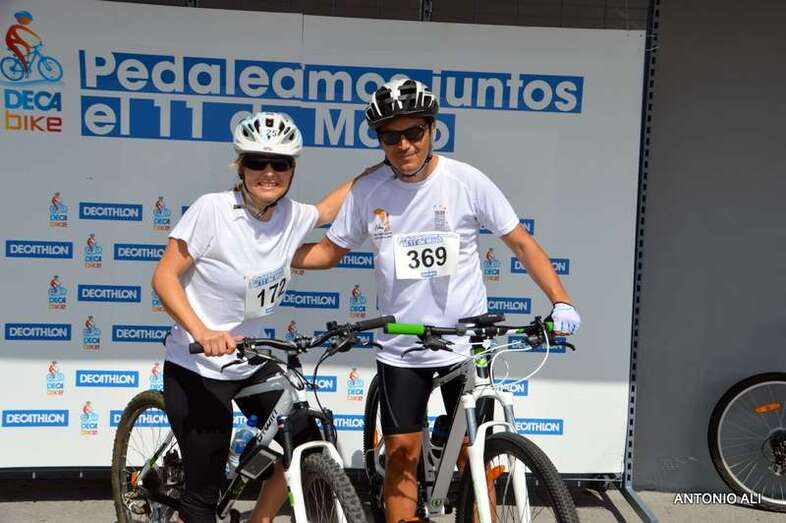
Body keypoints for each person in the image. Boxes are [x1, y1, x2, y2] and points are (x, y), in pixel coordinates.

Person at [292, 78, 582, 523]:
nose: (404, 145)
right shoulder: (369, 190)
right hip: (402, 346)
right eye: (391, 137)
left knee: (476, 453)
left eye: (414, 132)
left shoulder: (466, 181)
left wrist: (560, 301)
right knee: (402, 456)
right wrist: (269, 256)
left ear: (432, 130)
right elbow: (329, 252)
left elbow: (521, 244)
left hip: (465, 344)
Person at [152, 111, 358, 523]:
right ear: (241, 166)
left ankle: (259, 518)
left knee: (304, 441)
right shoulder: (212, 210)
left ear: (292, 169)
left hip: (248, 358)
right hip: (197, 364)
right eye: (257, 162)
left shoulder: (290, 215)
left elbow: (327, 209)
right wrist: (203, 332)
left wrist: (380, 173)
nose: (269, 172)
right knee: (203, 495)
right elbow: (164, 277)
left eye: (279, 164)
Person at [5, 11, 41, 76]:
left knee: (27, 46)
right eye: (28, 20)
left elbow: (20, 37)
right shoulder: (14, 26)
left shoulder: (16, 26)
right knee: (21, 57)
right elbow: (28, 32)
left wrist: (34, 41)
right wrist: (38, 38)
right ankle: (26, 71)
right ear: (22, 19)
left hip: (14, 40)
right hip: (11, 43)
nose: (28, 22)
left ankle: (27, 61)